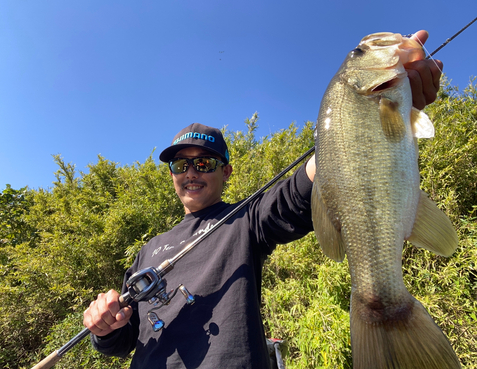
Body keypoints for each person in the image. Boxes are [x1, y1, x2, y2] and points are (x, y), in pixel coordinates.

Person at [83, 30, 443, 368]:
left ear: (226, 172)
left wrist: (368, 119)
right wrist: (104, 326)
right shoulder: (149, 251)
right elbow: (123, 342)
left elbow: (305, 185)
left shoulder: (245, 221)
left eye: (204, 163)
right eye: (181, 164)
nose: (191, 172)